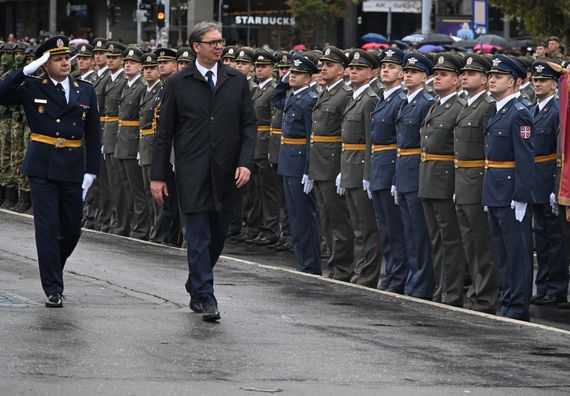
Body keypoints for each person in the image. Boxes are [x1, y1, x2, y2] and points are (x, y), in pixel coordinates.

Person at [150, 22, 257, 322]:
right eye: (212, 42)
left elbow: (249, 125)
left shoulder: (236, 80)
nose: (219, 46)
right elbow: (164, 133)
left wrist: (245, 162)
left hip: (227, 171)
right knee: (197, 235)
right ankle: (206, 296)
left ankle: (197, 281)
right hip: (192, 171)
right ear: (196, 46)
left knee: (219, 235)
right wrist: (158, 176)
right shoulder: (178, 82)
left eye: (221, 41)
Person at [0, 35, 100, 307]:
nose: (65, 62)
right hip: (42, 166)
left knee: (72, 230)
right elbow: (1, 92)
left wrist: (91, 171)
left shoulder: (85, 89)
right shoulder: (33, 86)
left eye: (66, 57)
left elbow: (93, 132)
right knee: (47, 228)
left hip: (71, 166)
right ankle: (53, 288)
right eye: (57, 59)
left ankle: (53, 264)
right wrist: (27, 69)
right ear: (46, 64)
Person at [484, 55, 534, 321]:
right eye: (491, 75)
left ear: (515, 82)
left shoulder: (519, 113)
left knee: (517, 253)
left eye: (499, 76)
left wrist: (522, 196)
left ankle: (518, 306)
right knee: (501, 253)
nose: (492, 79)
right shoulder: (498, 110)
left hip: (510, 193)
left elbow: (525, 159)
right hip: (495, 190)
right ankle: (507, 300)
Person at [418, 53, 467, 307]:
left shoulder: (458, 107)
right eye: (436, 73)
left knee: (450, 240)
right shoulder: (436, 105)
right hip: (429, 179)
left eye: (444, 74)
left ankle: (452, 292)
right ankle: (441, 288)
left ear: (457, 80)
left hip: (445, 181)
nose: (437, 77)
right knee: (437, 239)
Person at [453, 54, 499, 313]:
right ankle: (477, 291)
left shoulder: (487, 106)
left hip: (477, 181)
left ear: (483, 79)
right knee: (469, 242)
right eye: (464, 73)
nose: (465, 76)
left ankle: (486, 296)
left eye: (471, 73)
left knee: (481, 243)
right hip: (462, 181)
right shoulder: (466, 105)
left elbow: (488, 149)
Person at [272, 54, 322, 275]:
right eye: (291, 72)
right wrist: (283, 82)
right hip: (288, 161)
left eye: (298, 73)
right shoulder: (295, 97)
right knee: (294, 215)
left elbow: (312, 137)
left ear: (309, 78)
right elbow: (276, 100)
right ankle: (302, 259)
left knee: (303, 216)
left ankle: (310, 263)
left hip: (299, 162)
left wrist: (308, 170)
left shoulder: (310, 100)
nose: (292, 76)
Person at [310, 46, 354, 281]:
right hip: (319, 164)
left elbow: (345, 134)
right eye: (322, 64)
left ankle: (344, 267)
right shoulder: (326, 93)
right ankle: (335, 264)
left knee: (338, 219)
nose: (323, 68)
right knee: (326, 217)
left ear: (341, 70)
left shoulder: (344, 95)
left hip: (332, 163)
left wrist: (341, 169)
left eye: (329, 65)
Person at [394, 53, 436, 299]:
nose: (408, 75)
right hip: (403, 171)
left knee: (419, 233)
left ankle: (421, 283)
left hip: (416, 172)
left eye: (414, 72)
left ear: (424, 77)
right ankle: (413, 279)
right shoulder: (405, 101)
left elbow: (424, 144)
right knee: (408, 231)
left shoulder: (425, 102)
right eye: (406, 71)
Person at [528, 59, 569, 305]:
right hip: (535, 180)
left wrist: (557, 187)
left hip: (549, 179)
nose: (538, 84)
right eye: (535, 80)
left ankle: (557, 288)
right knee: (540, 238)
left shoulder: (556, 111)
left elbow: (559, 151)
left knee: (555, 239)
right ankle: (542, 285)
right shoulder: (531, 110)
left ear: (554, 85)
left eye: (543, 80)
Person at [369, 47, 408, 293]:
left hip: (391, 168)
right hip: (378, 169)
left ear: (402, 73)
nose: (385, 69)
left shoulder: (400, 101)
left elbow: (400, 142)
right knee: (385, 229)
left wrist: (394, 177)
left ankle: (397, 278)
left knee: (396, 230)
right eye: (383, 66)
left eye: (392, 67)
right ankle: (392, 274)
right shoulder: (383, 99)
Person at [341, 49, 381, 287]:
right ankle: (359, 270)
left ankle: (367, 274)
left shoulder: (370, 99)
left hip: (360, 169)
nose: (353, 71)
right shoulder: (355, 97)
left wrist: (367, 174)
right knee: (357, 226)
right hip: (348, 167)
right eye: (352, 68)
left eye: (359, 68)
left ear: (371, 73)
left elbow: (369, 140)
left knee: (367, 227)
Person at [115, 46, 150, 240]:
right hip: (122, 142)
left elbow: (141, 120)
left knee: (138, 191)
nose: (128, 65)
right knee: (125, 188)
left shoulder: (142, 87)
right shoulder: (126, 85)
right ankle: (128, 225)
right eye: (126, 62)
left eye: (133, 63)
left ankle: (141, 228)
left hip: (133, 143)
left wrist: (138, 148)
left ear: (141, 67)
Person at [138, 53, 163, 243]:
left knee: (157, 194)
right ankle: (151, 228)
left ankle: (158, 231)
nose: (148, 72)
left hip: (154, 145)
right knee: (147, 192)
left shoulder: (160, 91)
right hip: (144, 144)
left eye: (152, 68)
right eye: (145, 68)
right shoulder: (147, 91)